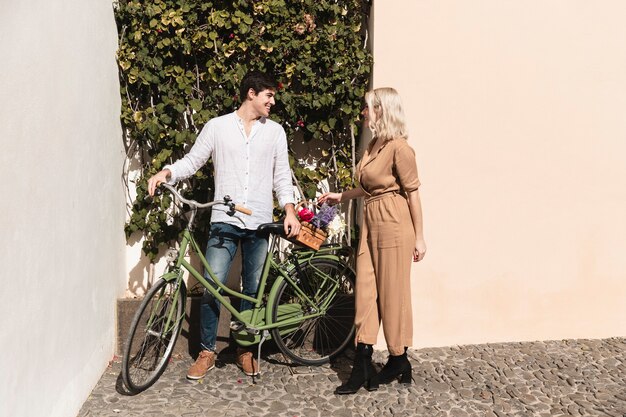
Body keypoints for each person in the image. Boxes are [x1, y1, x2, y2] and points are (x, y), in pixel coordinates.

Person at [147, 70, 301, 379]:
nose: (273, 101)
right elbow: (192, 161)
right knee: (212, 287)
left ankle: (244, 349)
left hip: (259, 221)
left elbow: (282, 176)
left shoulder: (275, 132)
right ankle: (207, 351)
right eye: (269, 95)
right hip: (224, 219)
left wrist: (289, 210)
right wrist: (166, 173)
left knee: (252, 289)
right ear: (251, 94)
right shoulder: (217, 127)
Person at [318, 87, 426, 395]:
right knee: (365, 290)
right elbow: (370, 188)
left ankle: (398, 358)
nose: (364, 113)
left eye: (368, 108)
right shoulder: (374, 144)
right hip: (371, 219)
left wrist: (419, 237)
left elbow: (413, 194)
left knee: (392, 293)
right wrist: (342, 195)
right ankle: (363, 361)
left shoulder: (400, 148)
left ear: (382, 110)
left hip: (394, 222)